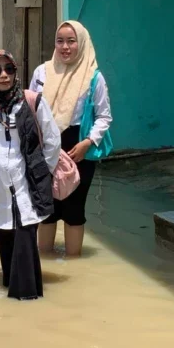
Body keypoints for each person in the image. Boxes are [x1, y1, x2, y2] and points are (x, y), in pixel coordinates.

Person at [0, 50, 59, 300]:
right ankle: (10, 296)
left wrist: (43, 175)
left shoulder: (32, 101)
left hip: (27, 184)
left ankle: (27, 299)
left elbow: (52, 142)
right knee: (4, 235)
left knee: (25, 236)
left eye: (9, 69)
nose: (3, 75)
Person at [29, 20, 112, 257]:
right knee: (46, 208)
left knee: (74, 208)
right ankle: (43, 263)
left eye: (71, 41)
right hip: (45, 146)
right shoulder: (42, 72)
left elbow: (104, 117)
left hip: (78, 147)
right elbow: (31, 110)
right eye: (60, 41)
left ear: (82, 43)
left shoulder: (94, 77)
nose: (65, 47)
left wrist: (87, 143)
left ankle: (74, 266)